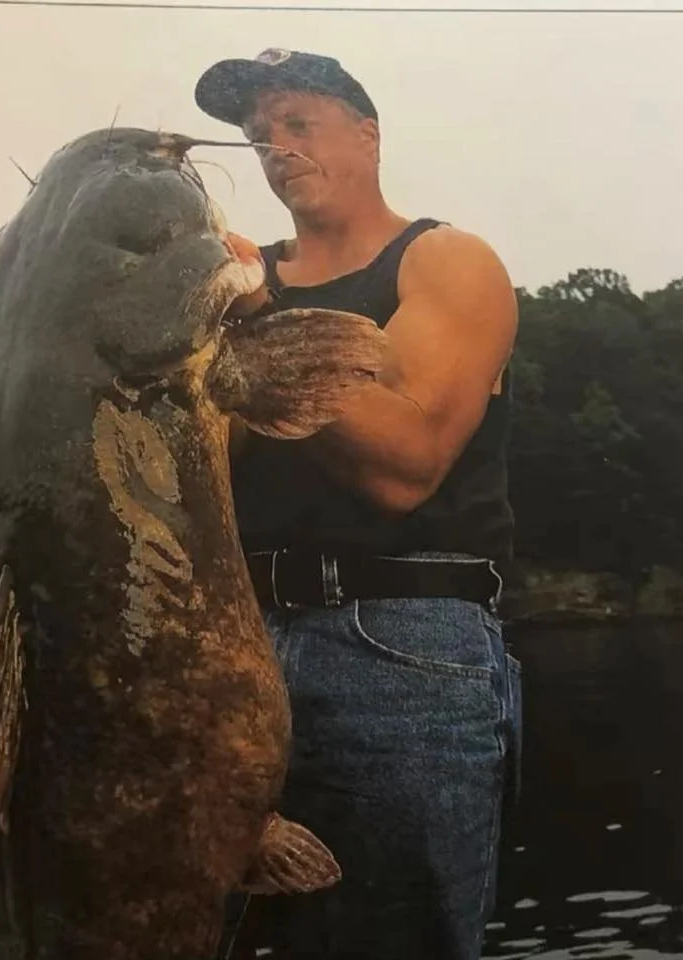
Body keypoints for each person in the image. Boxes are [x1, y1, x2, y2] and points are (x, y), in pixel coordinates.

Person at [193, 49, 524, 960]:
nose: (274, 143)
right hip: (226, 644)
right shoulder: (218, 288)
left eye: (299, 120)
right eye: (259, 131)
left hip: (404, 642)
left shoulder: (444, 260)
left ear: (368, 133)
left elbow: (406, 465)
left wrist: (255, 318)